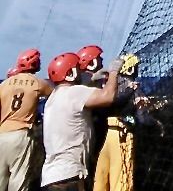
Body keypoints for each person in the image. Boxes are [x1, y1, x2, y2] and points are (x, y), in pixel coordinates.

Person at [41, 53, 122, 191]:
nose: (81, 72)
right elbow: (107, 96)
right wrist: (114, 71)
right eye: (78, 69)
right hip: (69, 176)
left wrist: (92, 79)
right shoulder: (74, 93)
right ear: (71, 73)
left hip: (51, 177)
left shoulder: (53, 98)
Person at [0, 48, 53, 191]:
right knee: (18, 182)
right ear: (34, 63)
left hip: (2, 134)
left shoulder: (5, 84)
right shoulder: (38, 83)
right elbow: (55, 96)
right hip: (21, 134)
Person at [93, 54, 141, 191]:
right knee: (122, 180)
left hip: (106, 133)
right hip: (122, 134)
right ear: (131, 69)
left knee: (101, 178)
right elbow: (143, 118)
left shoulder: (109, 84)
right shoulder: (131, 86)